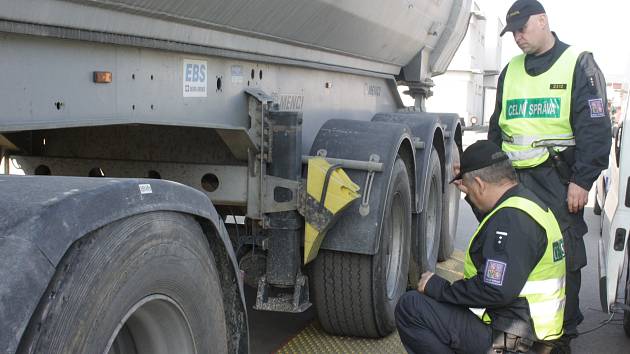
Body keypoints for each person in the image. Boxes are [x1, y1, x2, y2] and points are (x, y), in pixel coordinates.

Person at [488, 0, 612, 350]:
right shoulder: (510, 70)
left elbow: (596, 127)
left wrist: (582, 181)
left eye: (522, 29)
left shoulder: (578, 63)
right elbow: (496, 131)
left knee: (562, 260)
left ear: (542, 21)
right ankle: (514, 334)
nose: (516, 37)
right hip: (514, 182)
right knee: (512, 255)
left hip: (558, 181)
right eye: (512, 32)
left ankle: (560, 337)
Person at [395, 140, 566, 354]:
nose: (470, 195)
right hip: (534, 337)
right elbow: (492, 221)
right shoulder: (527, 205)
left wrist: (437, 287)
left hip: (515, 343)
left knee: (411, 307)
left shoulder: (511, 220)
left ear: (480, 183)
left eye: (471, 189)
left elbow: (494, 290)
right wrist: (470, 192)